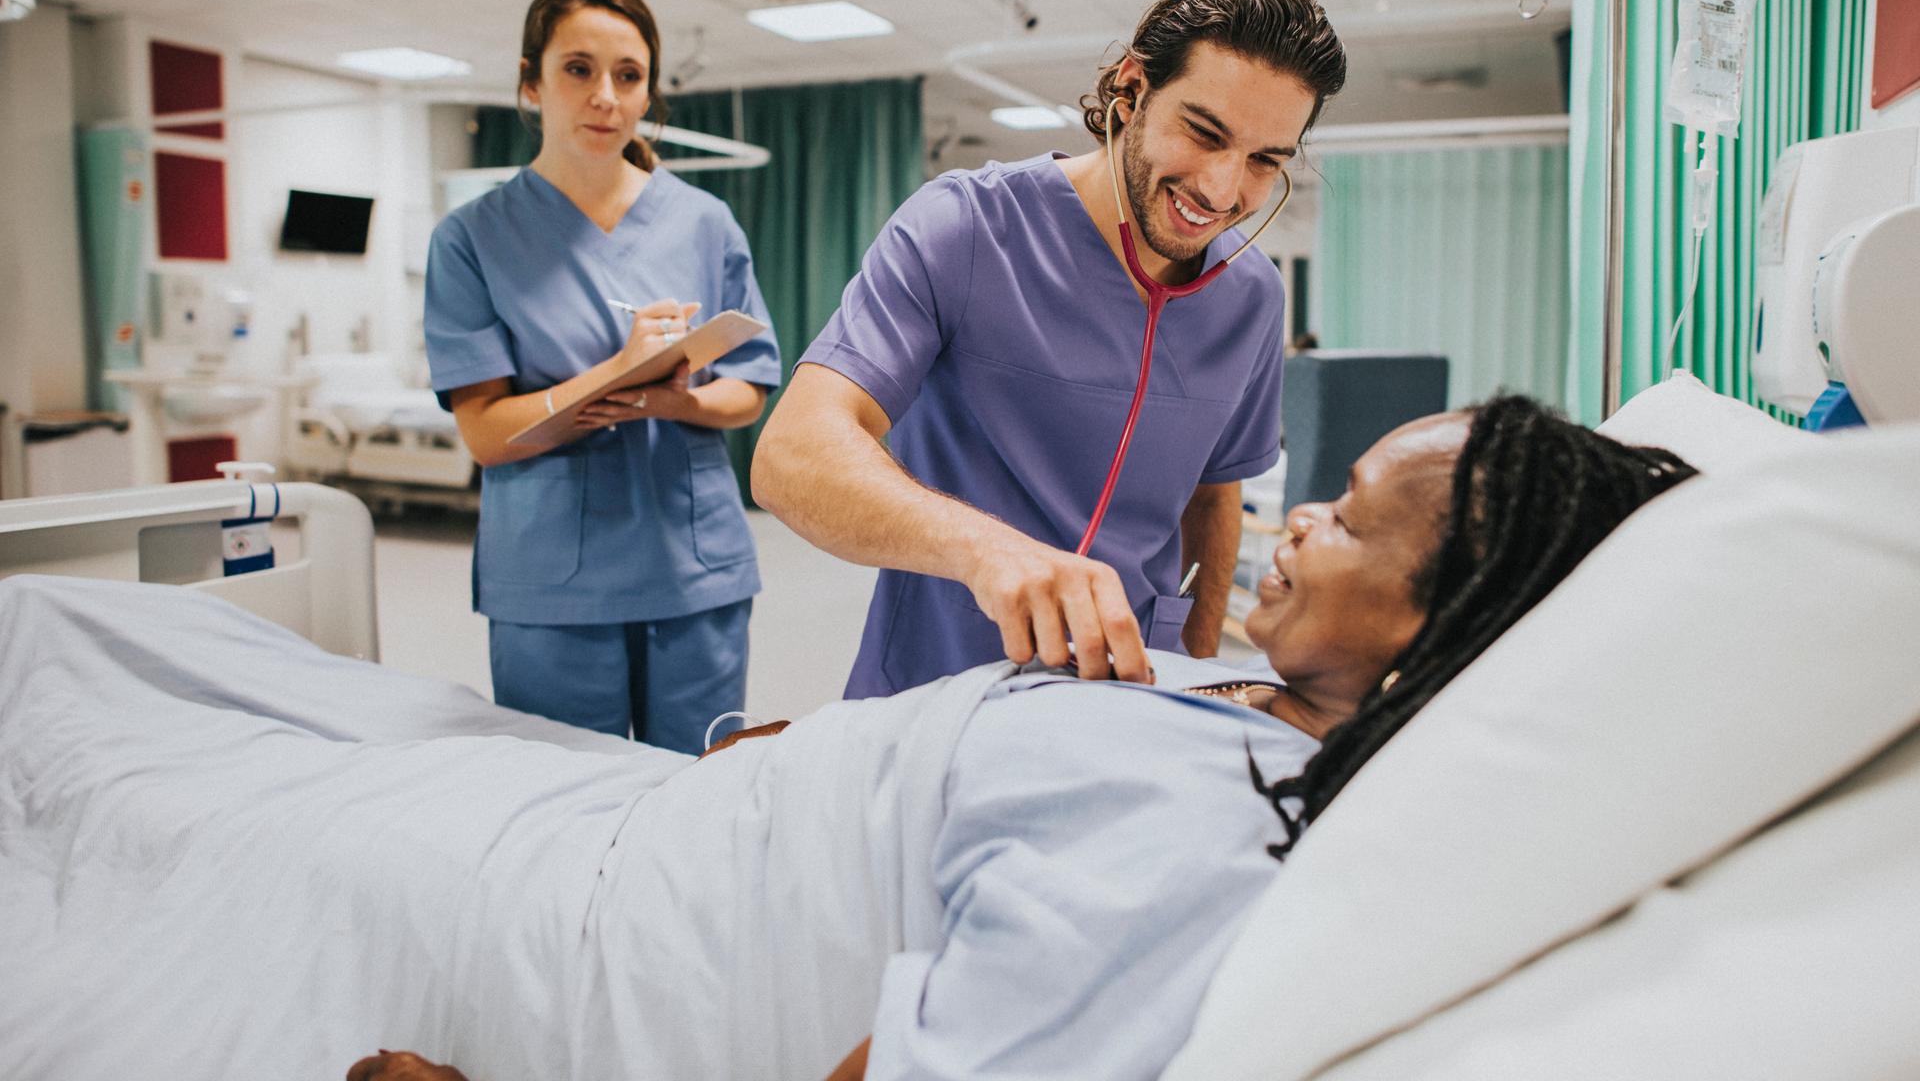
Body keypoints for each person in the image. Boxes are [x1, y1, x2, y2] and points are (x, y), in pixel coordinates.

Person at [335, 397, 1697, 1080]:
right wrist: (809, 752)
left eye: (1342, 519)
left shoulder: (1218, 845)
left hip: (611, 923)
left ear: (1435, 617)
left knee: (265, 778)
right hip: (668, 813)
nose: (1298, 522)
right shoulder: (1234, 694)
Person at [752, 0, 1348, 699]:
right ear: (1131, 90)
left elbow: (1213, 493)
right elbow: (790, 455)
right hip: (937, 680)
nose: (1222, 191)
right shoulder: (967, 228)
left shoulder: (1250, 296)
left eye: (1264, 161)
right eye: (1203, 132)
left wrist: (1198, 675)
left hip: (1130, 691)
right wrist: (987, 550)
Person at [424, 0, 781, 753]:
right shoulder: (472, 239)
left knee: (700, 792)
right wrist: (610, 379)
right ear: (531, 83)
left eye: (629, 76)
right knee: (564, 805)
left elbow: (749, 389)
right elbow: (485, 433)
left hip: (692, 568)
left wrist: (674, 400)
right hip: (552, 581)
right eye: (578, 70)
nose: (606, 97)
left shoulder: (705, 223)